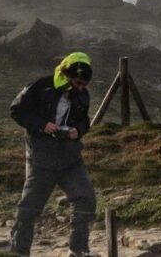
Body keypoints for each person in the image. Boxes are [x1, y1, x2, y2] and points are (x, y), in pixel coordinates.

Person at [9, 52, 96, 256]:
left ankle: (78, 250)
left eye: (84, 84)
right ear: (66, 75)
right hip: (41, 158)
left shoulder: (83, 95)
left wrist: (78, 130)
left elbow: (84, 121)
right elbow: (16, 110)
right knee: (30, 208)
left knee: (86, 199)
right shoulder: (41, 86)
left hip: (70, 158)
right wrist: (41, 125)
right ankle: (19, 252)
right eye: (77, 82)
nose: (81, 88)